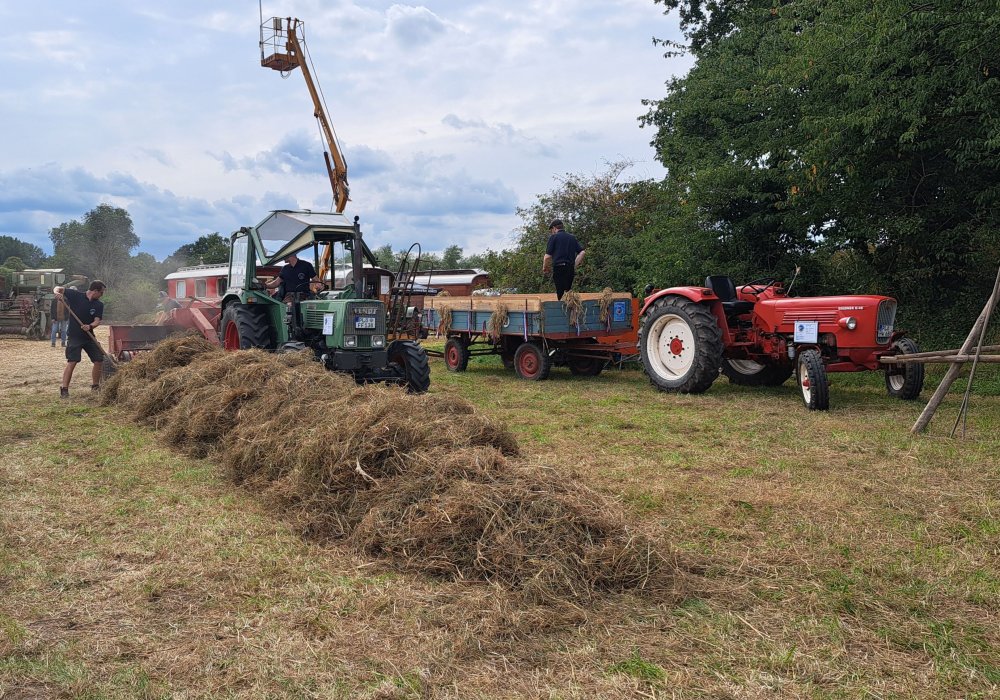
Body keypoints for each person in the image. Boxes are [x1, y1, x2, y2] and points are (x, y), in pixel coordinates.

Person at [54, 280, 107, 398]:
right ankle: (64, 389)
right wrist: (57, 293)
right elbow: (58, 288)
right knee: (72, 362)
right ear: (95, 291)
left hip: (89, 337)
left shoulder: (99, 304)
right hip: (74, 336)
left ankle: (95, 386)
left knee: (99, 360)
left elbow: (97, 320)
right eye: (101, 292)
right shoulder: (76, 296)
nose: (102, 295)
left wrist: (90, 326)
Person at [541, 219, 585, 300]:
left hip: (559, 268)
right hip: (569, 268)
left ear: (554, 228)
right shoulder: (572, 238)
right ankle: (568, 306)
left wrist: (545, 267)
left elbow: (547, 257)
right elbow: (582, 252)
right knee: (567, 293)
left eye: (551, 230)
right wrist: (574, 265)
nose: (552, 232)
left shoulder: (554, 237)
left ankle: (561, 307)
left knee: (560, 293)